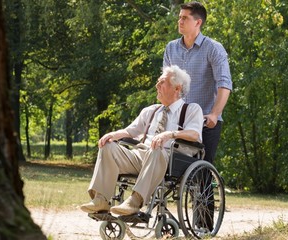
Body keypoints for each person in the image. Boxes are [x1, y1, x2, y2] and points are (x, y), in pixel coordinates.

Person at [79, 65, 204, 215]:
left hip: (169, 160)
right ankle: (101, 200)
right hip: (141, 156)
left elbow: (194, 134)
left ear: (177, 88)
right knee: (108, 147)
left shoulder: (191, 109)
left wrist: (169, 134)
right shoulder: (151, 111)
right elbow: (130, 131)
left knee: (157, 148)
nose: (157, 85)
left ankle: (134, 202)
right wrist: (113, 135)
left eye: (162, 82)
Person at [163, 1, 232, 165]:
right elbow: (165, 84)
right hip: (177, 120)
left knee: (201, 174)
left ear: (198, 22)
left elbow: (224, 84)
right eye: (179, 17)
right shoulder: (171, 48)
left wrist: (215, 114)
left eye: (185, 18)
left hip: (206, 121)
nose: (180, 21)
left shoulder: (213, 48)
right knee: (168, 169)